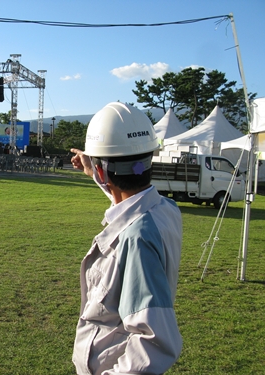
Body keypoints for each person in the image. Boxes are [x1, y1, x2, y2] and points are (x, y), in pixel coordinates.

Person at [70, 102, 183, 375]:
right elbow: (128, 202)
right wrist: (94, 171)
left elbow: (154, 340)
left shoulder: (136, 238)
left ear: (102, 170)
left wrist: (99, 169)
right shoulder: (165, 209)